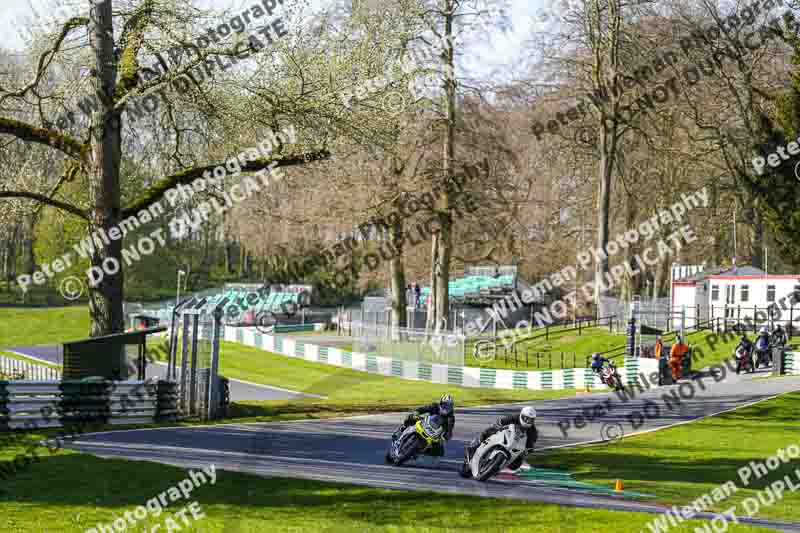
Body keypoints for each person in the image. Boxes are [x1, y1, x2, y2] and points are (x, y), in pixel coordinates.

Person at [462, 406, 538, 474]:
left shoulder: (533, 431)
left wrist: (527, 451)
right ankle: (473, 447)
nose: (528, 421)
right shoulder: (515, 417)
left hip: (515, 447)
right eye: (526, 418)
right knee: (487, 432)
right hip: (504, 436)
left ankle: (498, 466)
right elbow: (501, 421)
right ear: (521, 415)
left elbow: (530, 445)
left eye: (530, 420)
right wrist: (498, 425)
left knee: (516, 465)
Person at [391, 394, 455, 458]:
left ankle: (419, 452)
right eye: (445, 405)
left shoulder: (451, 417)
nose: (446, 408)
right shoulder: (435, 406)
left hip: (435, 434)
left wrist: (446, 437)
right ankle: (400, 430)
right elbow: (423, 409)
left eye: (448, 406)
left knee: (440, 452)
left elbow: (449, 430)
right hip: (425, 422)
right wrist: (416, 413)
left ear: (451, 407)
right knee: (410, 417)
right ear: (440, 403)